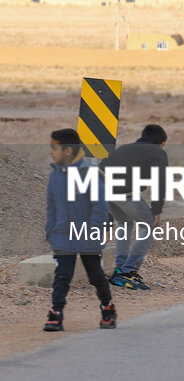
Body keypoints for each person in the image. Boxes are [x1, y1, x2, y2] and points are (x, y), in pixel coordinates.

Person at [43, 129, 115, 332]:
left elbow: (100, 206)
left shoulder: (89, 174)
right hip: (63, 236)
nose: (51, 152)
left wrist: (93, 232)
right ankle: (56, 313)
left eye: (54, 147)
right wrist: (51, 229)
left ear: (67, 151)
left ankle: (107, 307)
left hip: (87, 236)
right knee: (62, 275)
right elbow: (51, 206)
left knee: (95, 275)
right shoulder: (55, 175)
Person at [101, 123, 168, 290]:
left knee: (126, 222)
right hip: (123, 191)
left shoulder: (125, 149)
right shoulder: (157, 151)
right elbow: (160, 181)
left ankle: (120, 269)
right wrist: (156, 211)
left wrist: (108, 221)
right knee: (148, 225)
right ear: (162, 142)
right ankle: (128, 272)